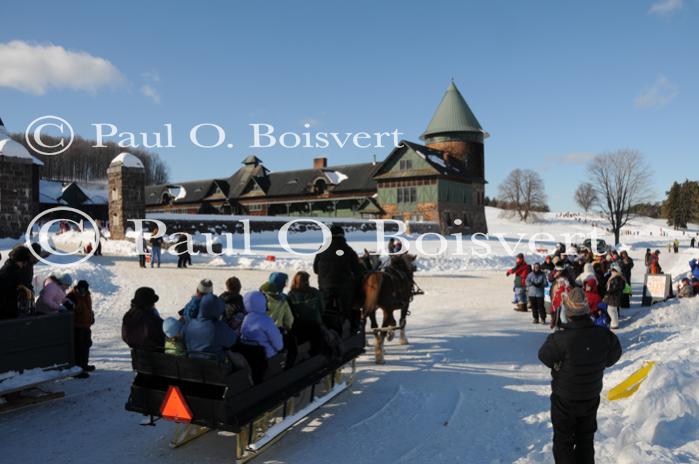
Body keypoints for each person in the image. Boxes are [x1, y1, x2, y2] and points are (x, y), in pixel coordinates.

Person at [538, 287, 622, 464]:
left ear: (567, 313)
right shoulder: (603, 334)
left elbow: (544, 356)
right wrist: (599, 362)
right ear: (586, 311)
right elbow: (614, 355)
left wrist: (558, 366)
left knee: (563, 440)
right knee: (585, 439)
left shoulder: (560, 339)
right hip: (590, 396)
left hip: (564, 399)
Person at [313, 225, 363, 333]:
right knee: (349, 307)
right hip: (343, 288)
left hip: (325, 286)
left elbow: (315, 269)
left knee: (325, 308)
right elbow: (357, 271)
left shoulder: (322, 248)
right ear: (342, 235)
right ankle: (353, 327)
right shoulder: (348, 249)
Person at [182, 294, 237, 359]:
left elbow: (182, 337)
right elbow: (232, 341)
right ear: (218, 310)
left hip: (191, 362)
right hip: (215, 366)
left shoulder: (189, 324)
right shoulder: (221, 328)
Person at [287, 271, 324, 352]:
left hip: (299, 327)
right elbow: (322, 308)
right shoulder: (315, 292)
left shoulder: (290, 294)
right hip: (315, 325)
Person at [241, 291, 284, 358]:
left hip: (254, 357)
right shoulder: (266, 320)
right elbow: (279, 346)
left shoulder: (246, 320)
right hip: (270, 357)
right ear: (262, 302)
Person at [65, 280, 95, 377]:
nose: (82, 291)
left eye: (84, 290)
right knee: (78, 348)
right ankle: (77, 370)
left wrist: (91, 317)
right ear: (77, 288)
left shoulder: (87, 295)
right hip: (77, 326)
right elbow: (69, 311)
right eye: (80, 289)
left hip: (86, 325)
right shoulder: (71, 296)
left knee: (87, 345)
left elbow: (88, 308)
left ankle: (84, 365)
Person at [0, 246, 33, 319]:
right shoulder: (10, 272)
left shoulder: (10, 268)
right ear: (21, 260)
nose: (25, 265)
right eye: (25, 262)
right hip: (6, 314)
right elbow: (7, 296)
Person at [604, 265, 625, 330]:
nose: (612, 272)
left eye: (613, 271)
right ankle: (615, 323)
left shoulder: (616, 278)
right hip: (614, 296)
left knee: (611, 310)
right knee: (613, 310)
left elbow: (614, 288)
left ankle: (614, 324)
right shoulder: (617, 277)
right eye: (612, 271)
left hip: (614, 297)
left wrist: (609, 291)